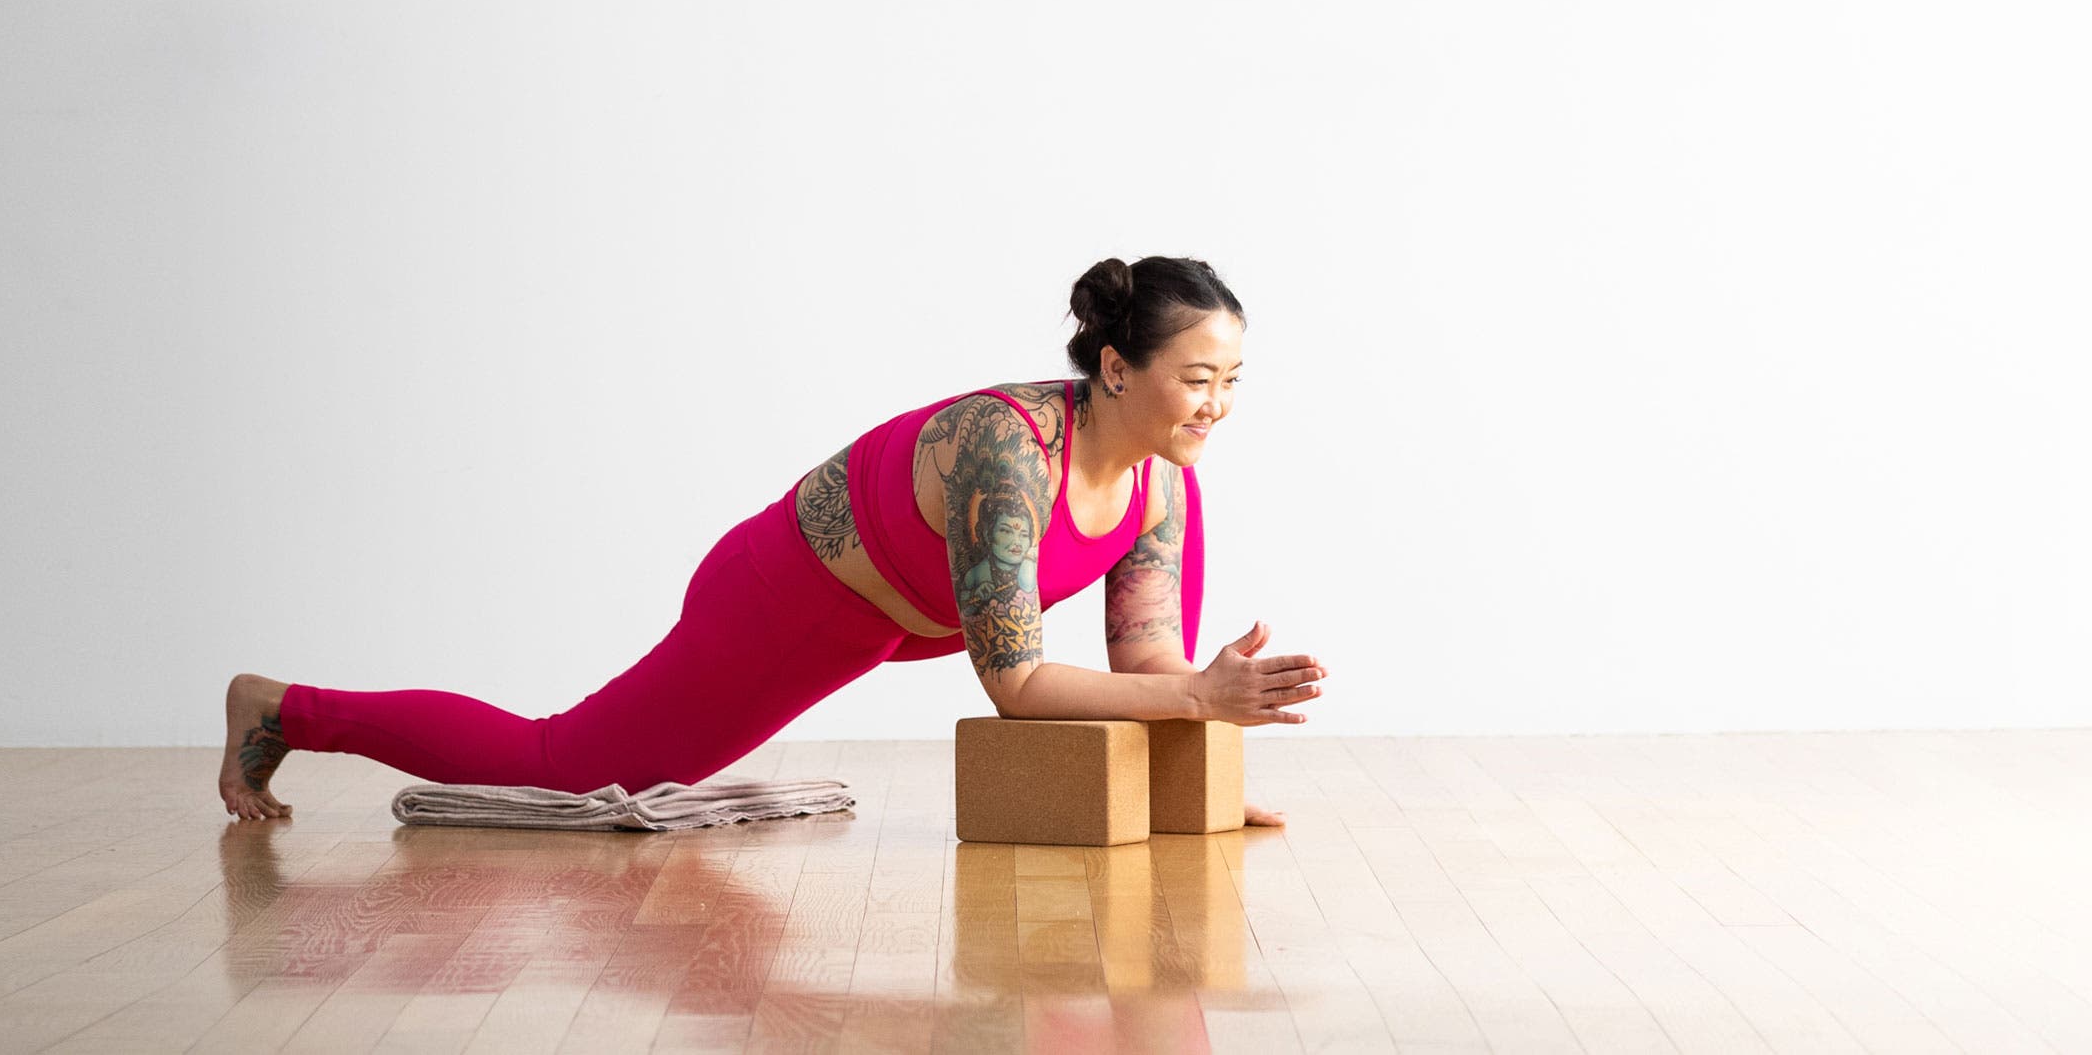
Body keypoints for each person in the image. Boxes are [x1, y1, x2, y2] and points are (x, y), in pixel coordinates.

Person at [216, 255, 1329, 824]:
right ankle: (282, 709)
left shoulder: (1163, 482)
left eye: (1233, 380)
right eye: (1199, 377)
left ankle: (289, 711)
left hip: (899, 621)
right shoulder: (1008, 453)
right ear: (1118, 368)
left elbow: (1150, 669)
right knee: (569, 769)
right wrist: (1199, 699)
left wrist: (1194, 781)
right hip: (791, 599)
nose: (1218, 404)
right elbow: (1021, 688)